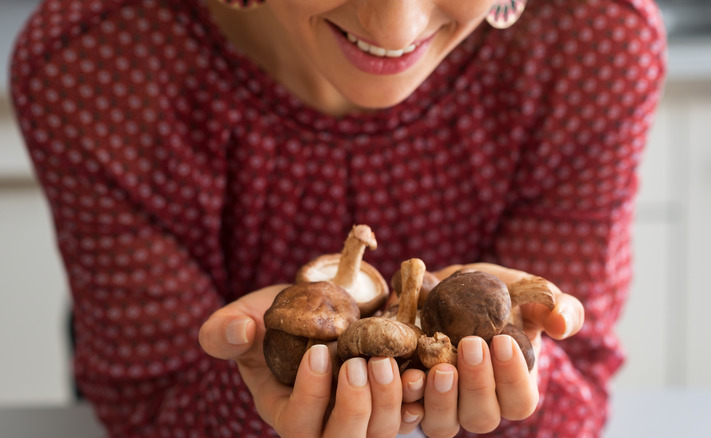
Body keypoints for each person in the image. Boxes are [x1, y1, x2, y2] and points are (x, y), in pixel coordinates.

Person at [10, 0, 666, 436]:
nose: (396, 28)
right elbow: (149, 413)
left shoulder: (591, 41)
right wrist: (258, 379)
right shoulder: (92, 64)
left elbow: (574, 401)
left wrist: (516, 360)